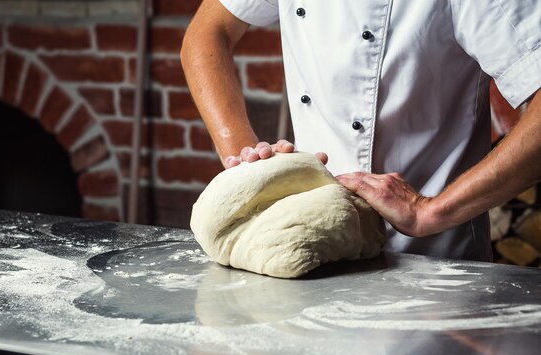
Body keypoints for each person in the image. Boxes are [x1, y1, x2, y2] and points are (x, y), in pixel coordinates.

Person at [180, 0, 541, 261]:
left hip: (433, 261)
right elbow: (207, 33)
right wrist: (249, 167)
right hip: (312, 251)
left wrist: (428, 212)